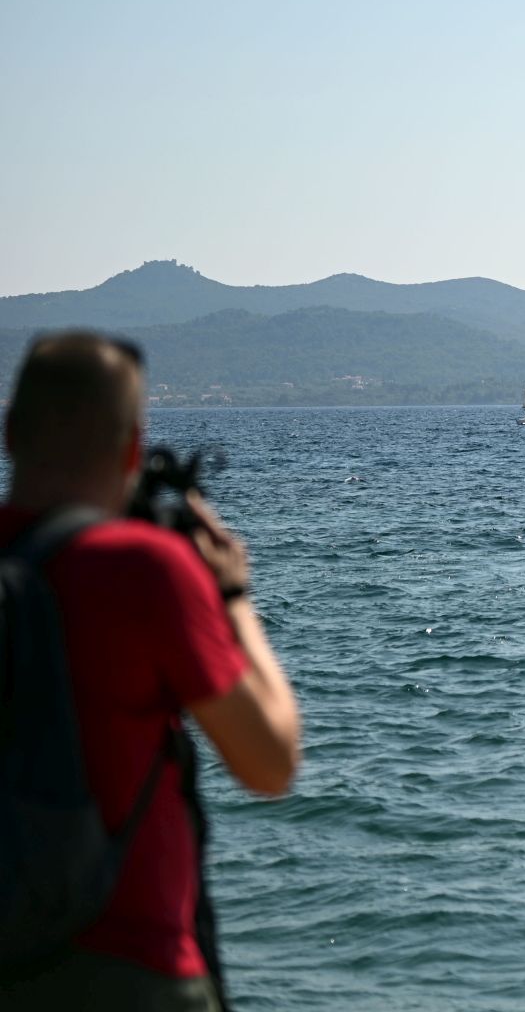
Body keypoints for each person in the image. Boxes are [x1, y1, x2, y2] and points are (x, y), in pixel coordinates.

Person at [0, 332, 300, 1010]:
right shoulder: (144, 569)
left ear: (10, 431)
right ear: (133, 450)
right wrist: (232, 595)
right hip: (132, 968)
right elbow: (270, 762)